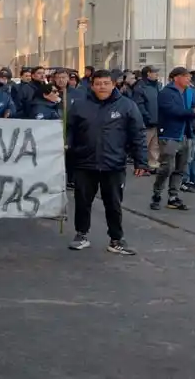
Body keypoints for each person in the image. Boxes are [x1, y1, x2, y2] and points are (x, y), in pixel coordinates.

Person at [67, 69, 148, 255]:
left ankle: (116, 239)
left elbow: (138, 134)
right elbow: (69, 131)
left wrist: (141, 162)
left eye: (106, 83)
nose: (102, 87)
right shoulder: (79, 106)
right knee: (82, 202)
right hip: (84, 163)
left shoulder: (127, 106)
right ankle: (81, 234)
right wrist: (68, 154)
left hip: (114, 164)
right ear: (92, 85)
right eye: (98, 84)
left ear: (113, 84)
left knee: (113, 204)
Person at [151, 67, 195, 211]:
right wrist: (194, 111)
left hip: (185, 133)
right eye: (185, 76)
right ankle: (157, 194)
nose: (188, 79)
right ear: (176, 78)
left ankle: (173, 197)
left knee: (180, 167)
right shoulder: (166, 93)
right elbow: (171, 111)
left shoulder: (190, 92)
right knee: (167, 167)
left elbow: (192, 111)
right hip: (169, 133)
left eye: (189, 76)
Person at [133, 66, 161, 172]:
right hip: (146, 121)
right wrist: (147, 117)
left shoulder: (156, 86)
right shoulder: (140, 87)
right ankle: (142, 166)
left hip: (156, 120)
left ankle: (153, 164)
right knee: (144, 144)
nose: (157, 74)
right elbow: (139, 105)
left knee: (154, 145)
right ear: (148, 73)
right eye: (155, 72)